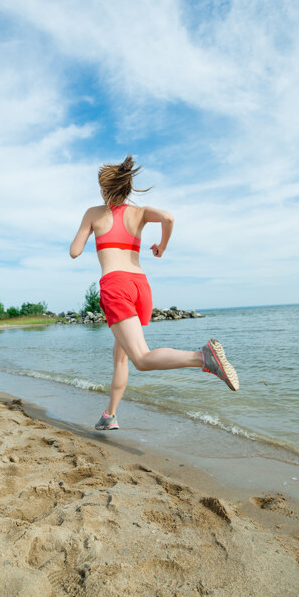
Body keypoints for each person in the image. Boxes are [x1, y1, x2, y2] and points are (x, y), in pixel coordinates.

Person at [69, 155, 239, 430]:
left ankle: (202, 357)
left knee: (141, 359)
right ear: (127, 188)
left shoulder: (93, 213)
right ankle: (109, 415)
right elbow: (169, 217)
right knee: (121, 356)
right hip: (141, 287)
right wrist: (162, 246)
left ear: (104, 189)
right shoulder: (140, 212)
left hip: (115, 285)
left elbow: (74, 252)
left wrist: (89, 231)